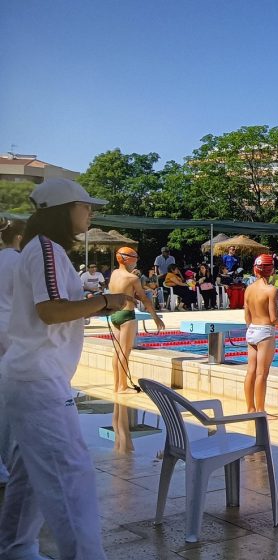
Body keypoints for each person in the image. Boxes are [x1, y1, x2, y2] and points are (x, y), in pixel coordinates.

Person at [0, 178, 133, 560]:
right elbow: (51, 310)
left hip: (30, 376)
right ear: (64, 208)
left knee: (29, 475)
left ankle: (16, 548)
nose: (90, 212)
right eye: (85, 205)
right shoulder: (45, 248)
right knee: (71, 477)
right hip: (38, 380)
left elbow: (52, 308)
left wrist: (97, 305)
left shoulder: (41, 249)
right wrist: (104, 300)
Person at [244, 254, 278, 417]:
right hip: (265, 333)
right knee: (262, 373)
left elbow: (246, 315)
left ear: (255, 269)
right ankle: (260, 411)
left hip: (252, 330)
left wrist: (251, 329)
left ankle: (250, 409)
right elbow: (274, 319)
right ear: (272, 271)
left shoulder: (248, 289)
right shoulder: (271, 290)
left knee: (250, 372)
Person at [107, 246, 165, 393]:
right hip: (127, 315)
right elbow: (144, 298)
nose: (136, 263)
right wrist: (155, 317)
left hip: (114, 315)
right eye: (135, 260)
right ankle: (123, 386)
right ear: (129, 261)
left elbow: (119, 288)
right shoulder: (133, 278)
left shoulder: (114, 273)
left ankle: (116, 385)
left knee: (117, 352)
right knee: (125, 352)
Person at [0, 219, 24, 486]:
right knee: (8, 403)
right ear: (19, 237)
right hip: (10, 332)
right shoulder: (18, 262)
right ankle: (6, 465)